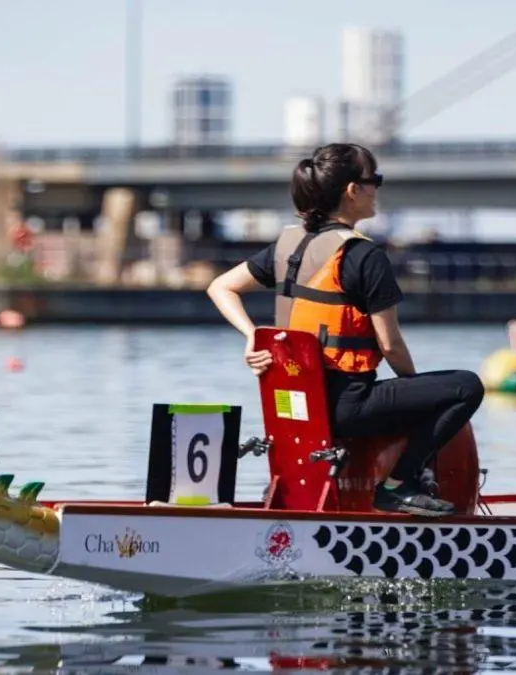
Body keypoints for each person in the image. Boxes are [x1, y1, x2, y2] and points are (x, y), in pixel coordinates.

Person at [206, 142, 484, 517]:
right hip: (346, 407)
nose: (378, 190)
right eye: (375, 180)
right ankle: (398, 486)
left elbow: (220, 286)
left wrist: (252, 334)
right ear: (353, 190)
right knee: (466, 386)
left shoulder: (288, 247)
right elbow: (391, 346)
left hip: (295, 408)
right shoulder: (364, 256)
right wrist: (416, 393)